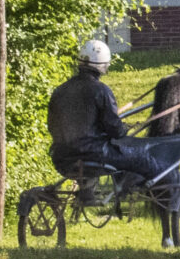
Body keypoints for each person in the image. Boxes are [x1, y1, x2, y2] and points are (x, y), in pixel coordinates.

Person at [47, 40, 130, 182]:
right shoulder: (101, 91)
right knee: (144, 160)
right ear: (104, 65)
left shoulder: (59, 90)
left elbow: (52, 126)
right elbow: (114, 129)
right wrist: (124, 129)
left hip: (61, 158)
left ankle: (88, 193)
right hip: (93, 155)